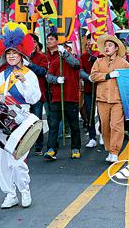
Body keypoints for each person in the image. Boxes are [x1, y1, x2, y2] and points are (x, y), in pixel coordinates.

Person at [0, 23, 41, 209]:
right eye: (8, 53)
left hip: (21, 121)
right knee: (1, 161)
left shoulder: (29, 74)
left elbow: (35, 98)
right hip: (0, 120)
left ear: (22, 55)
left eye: (15, 53)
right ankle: (10, 194)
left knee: (17, 159)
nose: (11, 56)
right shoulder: (2, 75)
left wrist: (25, 82)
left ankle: (24, 190)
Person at [89, 34, 129, 163]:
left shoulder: (124, 63)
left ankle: (114, 151)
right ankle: (109, 149)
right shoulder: (99, 61)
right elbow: (92, 76)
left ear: (116, 48)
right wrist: (107, 76)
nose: (107, 48)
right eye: (106, 45)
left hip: (118, 99)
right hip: (102, 99)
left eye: (110, 45)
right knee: (105, 126)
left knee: (116, 125)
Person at [44, 32, 82, 161]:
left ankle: (75, 148)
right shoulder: (55, 62)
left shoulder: (73, 60)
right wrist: (56, 79)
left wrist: (65, 54)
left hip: (71, 98)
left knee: (74, 125)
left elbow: (76, 65)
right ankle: (51, 149)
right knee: (54, 125)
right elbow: (48, 77)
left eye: (67, 48)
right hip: (57, 98)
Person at [26, 34, 49, 155]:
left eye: (33, 42)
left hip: (37, 94)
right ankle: (26, 145)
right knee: (24, 122)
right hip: (23, 95)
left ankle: (39, 146)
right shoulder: (20, 57)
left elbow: (43, 71)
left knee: (36, 120)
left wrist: (29, 65)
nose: (31, 44)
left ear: (36, 44)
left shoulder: (41, 56)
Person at [79, 33, 99, 148]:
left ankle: (102, 132)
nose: (89, 46)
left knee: (102, 114)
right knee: (89, 113)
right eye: (87, 44)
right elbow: (80, 71)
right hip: (88, 89)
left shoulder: (102, 56)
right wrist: (89, 77)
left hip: (102, 90)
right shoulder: (83, 56)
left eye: (91, 43)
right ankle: (92, 137)